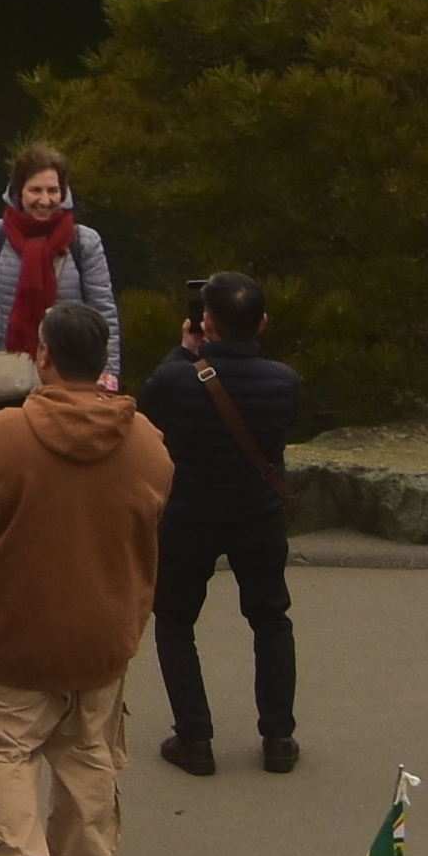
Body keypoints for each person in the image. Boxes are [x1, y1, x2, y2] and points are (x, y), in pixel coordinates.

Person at [0, 295, 172, 856]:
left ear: (42, 356)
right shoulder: (146, 441)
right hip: (104, 632)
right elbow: (155, 506)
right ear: (103, 364)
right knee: (89, 751)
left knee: (2, 750)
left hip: (15, 631)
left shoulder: (7, 435)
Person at [144, 272, 306, 779]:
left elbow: (146, 419)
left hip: (189, 514)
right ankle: (278, 736)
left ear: (205, 322)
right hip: (256, 513)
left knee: (174, 621)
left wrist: (183, 353)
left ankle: (195, 738)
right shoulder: (284, 382)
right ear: (262, 322)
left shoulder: (176, 378)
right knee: (270, 618)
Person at [0, 145, 119, 414]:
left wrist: (107, 382)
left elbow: (104, 317)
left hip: (69, 385)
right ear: (18, 192)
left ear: (63, 193)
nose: (45, 200)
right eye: (35, 190)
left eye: (53, 190)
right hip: (8, 382)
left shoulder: (84, 242)